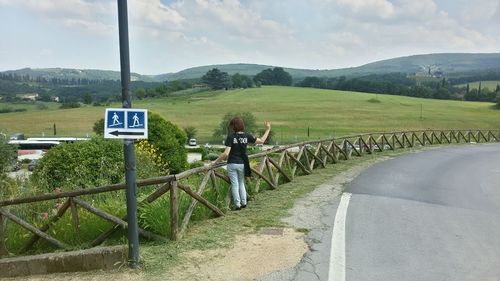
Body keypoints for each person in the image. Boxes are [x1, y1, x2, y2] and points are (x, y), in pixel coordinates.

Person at [213, 117, 271, 210]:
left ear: (234, 126)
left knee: (234, 184)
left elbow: (225, 154)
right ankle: (244, 202)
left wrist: (214, 163)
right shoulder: (247, 136)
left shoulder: (231, 137)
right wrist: (268, 129)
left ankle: (237, 204)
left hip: (232, 163)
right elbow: (262, 141)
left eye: (232, 125)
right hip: (243, 164)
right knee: (241, 183)